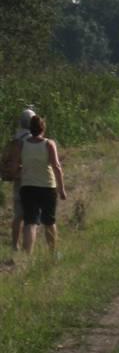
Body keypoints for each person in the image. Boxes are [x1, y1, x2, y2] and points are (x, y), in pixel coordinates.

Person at [15, 115, 67, 258]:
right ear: (43, 128)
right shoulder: (49, 144)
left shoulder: (22, 144)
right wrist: (61, 189)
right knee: (49, 221)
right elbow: (56, 166)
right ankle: (53, 254)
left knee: (30, 222)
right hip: (47, 187)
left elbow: (17, 164)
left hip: (27, 187)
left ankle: (27, 256)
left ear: (30, 129)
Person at [8, 108, 35, 251]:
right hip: (30, 179)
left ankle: (14, 245)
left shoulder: (15, 138)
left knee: (18, 215)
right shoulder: (32, 139)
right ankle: (27, 247)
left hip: (18, 179)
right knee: (30, 216)